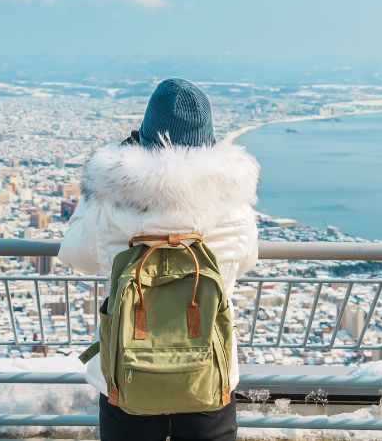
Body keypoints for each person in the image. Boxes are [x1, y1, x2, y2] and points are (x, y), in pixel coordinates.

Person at [59, 77, 261, 441]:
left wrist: (91, 196)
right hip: (208, 368)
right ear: (209, 140)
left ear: (144, 136)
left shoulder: (110, 199)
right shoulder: (234, 205)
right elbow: (245, 260)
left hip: (126, 369)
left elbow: (76, 256)